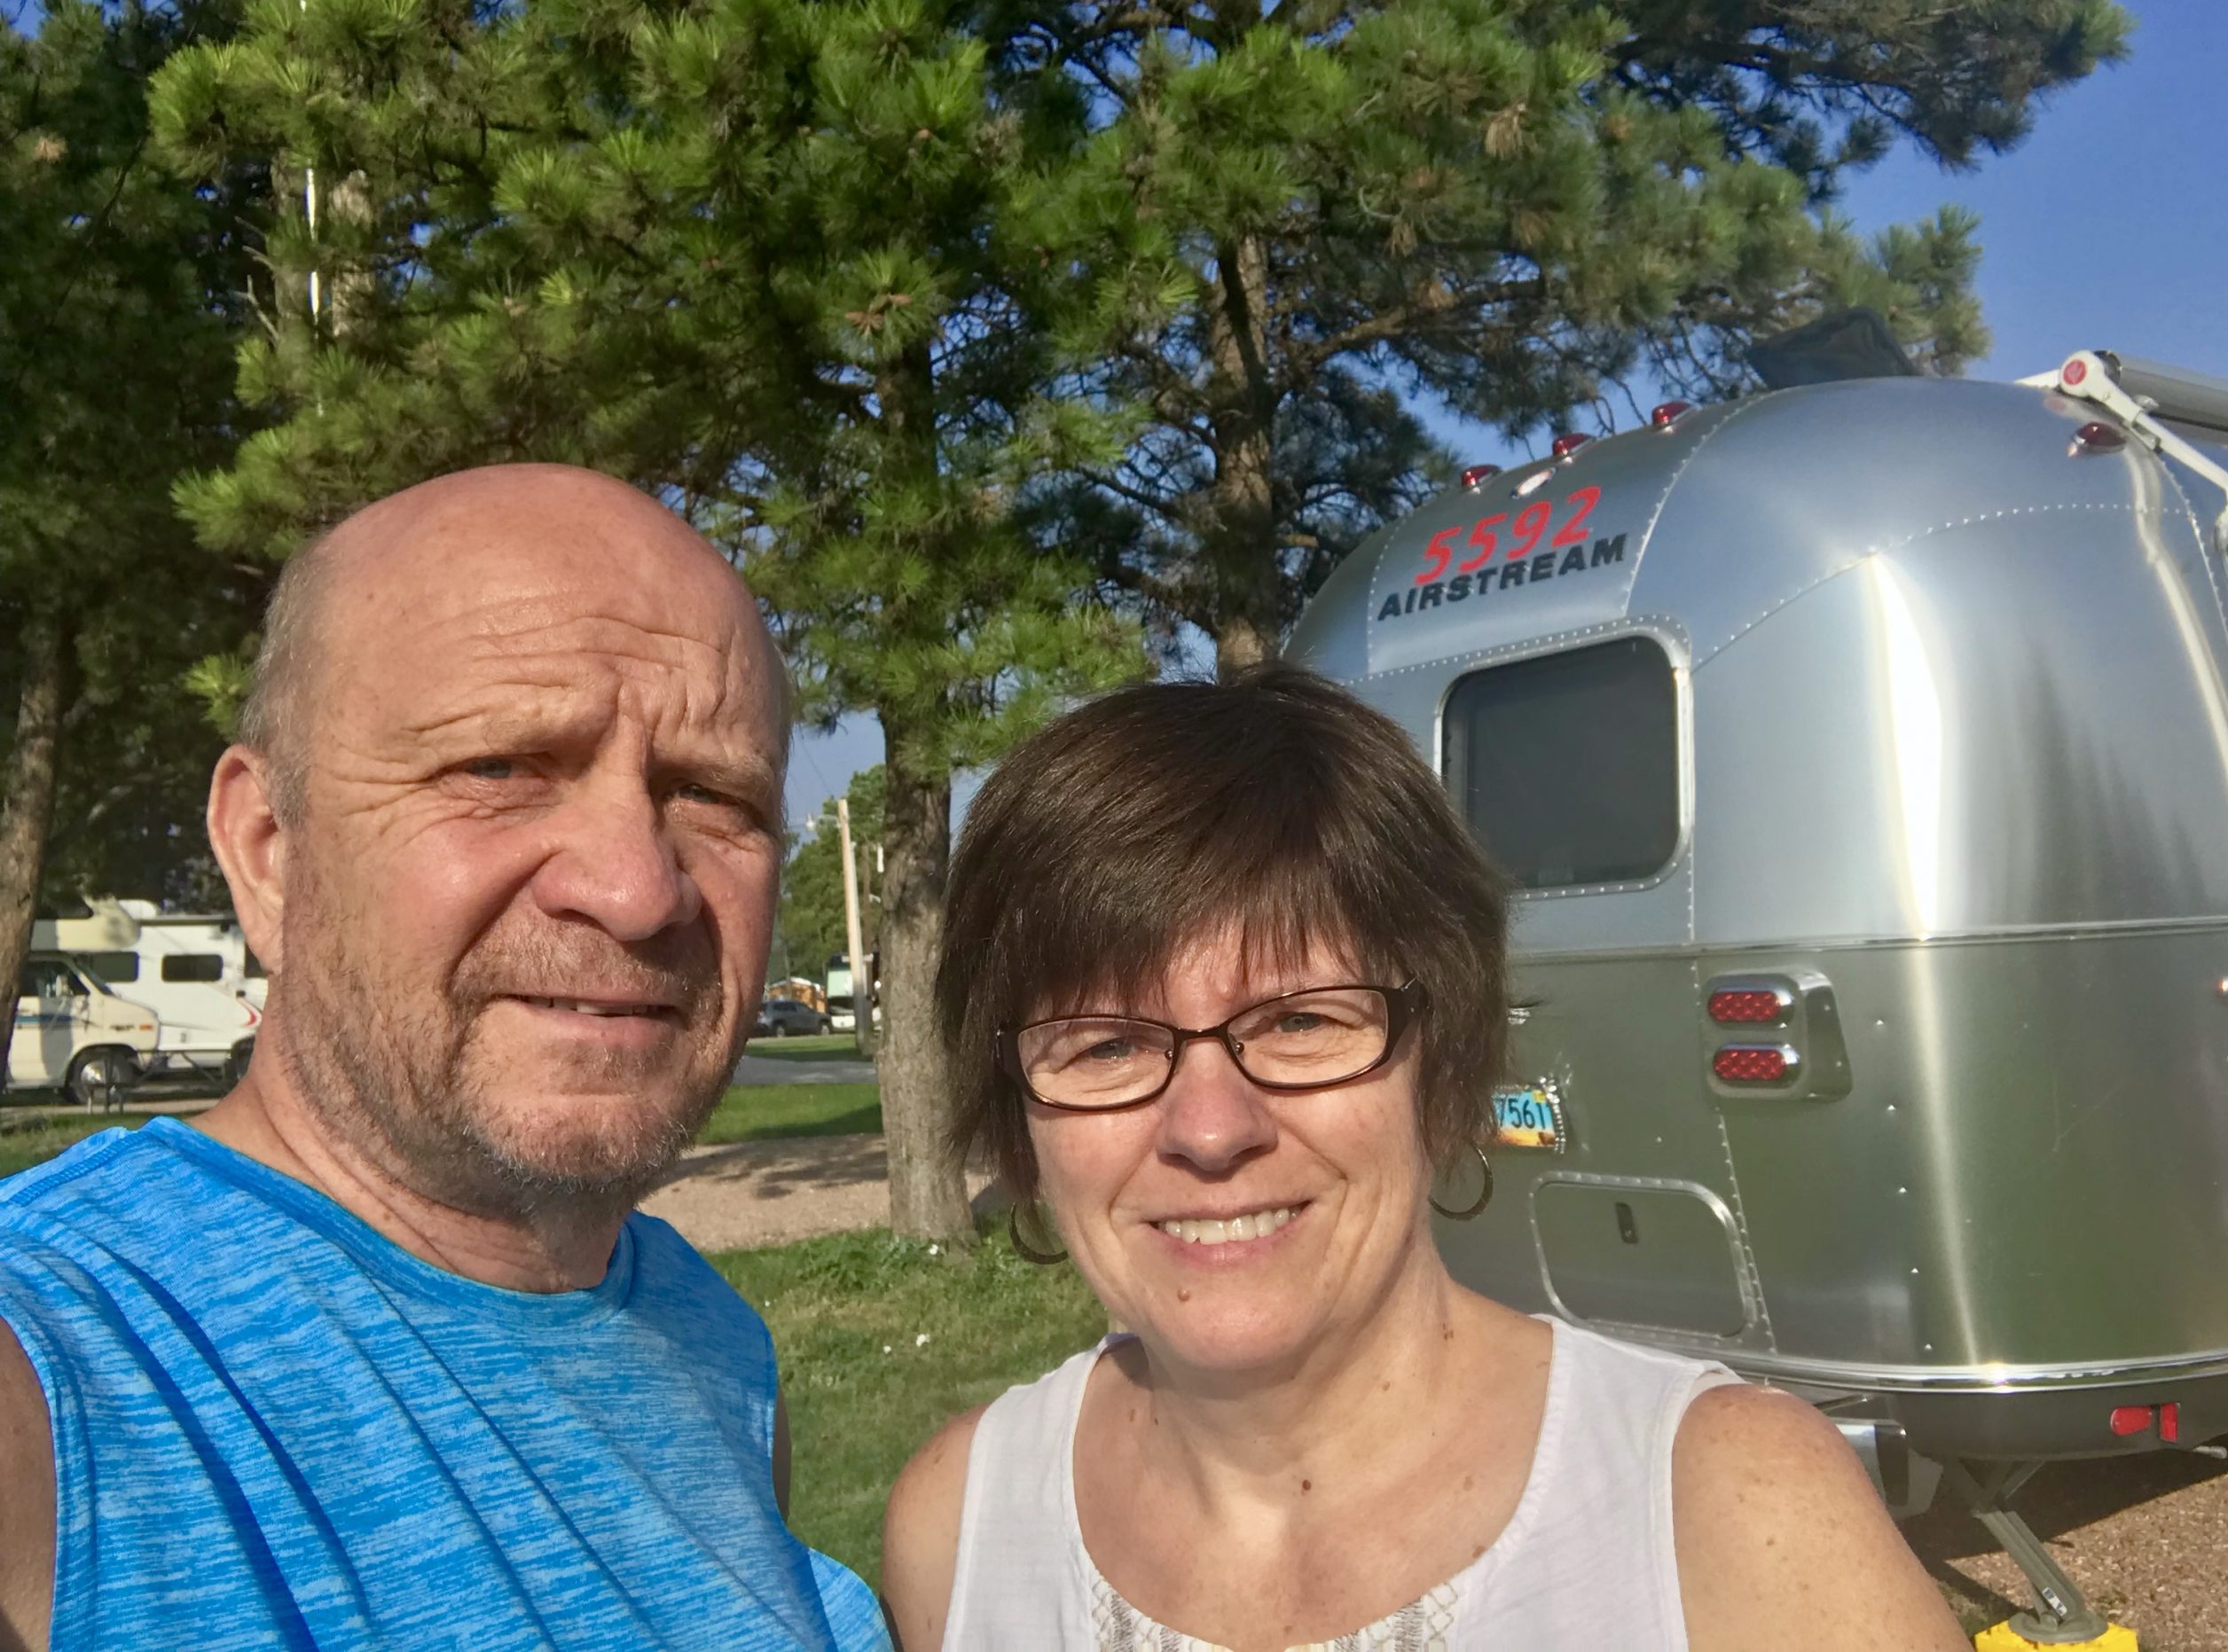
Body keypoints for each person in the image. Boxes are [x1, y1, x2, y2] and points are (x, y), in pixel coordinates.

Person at [881, 665, 1965, 1652]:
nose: (1209, 1130)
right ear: (1019, 1116)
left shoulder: (1727, 1513)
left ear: (1437, 1061)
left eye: (1300, 1022)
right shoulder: (959, 1532)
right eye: (1107, 1046)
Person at [0, 466, 885, 1652]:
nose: (637, 888)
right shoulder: (56, 1364)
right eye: (499, 768)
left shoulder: (711, 1339)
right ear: (268, 849)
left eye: (712, 793)